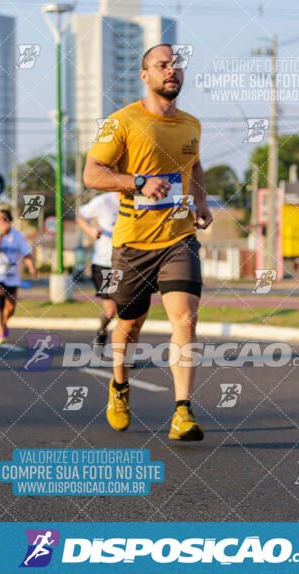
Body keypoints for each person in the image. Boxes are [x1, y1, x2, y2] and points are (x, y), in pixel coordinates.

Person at [83, 43, 212, 441]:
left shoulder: (192, 124)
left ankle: (182, 412)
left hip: (179, 239)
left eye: (176, 65)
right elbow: (92, 173)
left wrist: (202, 201)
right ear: (145, 75)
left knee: (186, 320)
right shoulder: (119, 122)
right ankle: (120, 385)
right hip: (133, 244)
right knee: (130, 324)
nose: (171, 70)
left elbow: (194, 165)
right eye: (162, 65)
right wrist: (137, 181)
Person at [0, 207, 36, 344]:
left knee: (11, 306)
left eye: (4, 218)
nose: (2, 221)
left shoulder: (17, 235)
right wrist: (1, 235)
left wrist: (31, 266)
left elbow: (26, 253)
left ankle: (4, 323)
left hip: (12, 273)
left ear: (10, 220)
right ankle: (1, 333)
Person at [76, 192, 119, 348]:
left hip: (128, 262)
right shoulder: (103, 201)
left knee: (128, 310)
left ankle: (124, 351)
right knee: (111, 311)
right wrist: (91, 230)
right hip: (104, 263)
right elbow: (80, 216)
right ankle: (102, 331)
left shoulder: (139, 199)